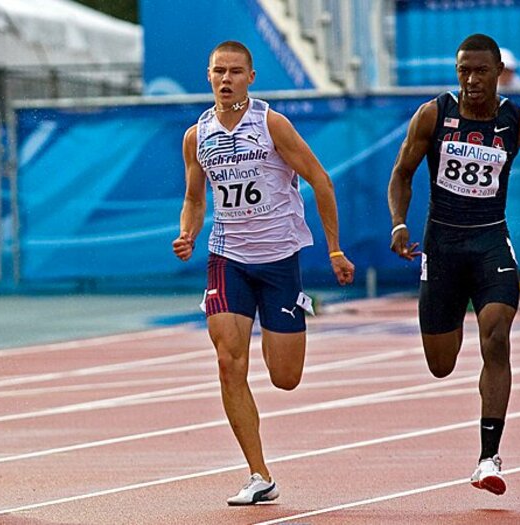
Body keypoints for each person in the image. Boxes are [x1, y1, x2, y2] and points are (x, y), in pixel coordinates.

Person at [172, 41, 355, 506]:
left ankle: (291, 327)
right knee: (228, 362)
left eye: (235, 71)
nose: (226, 79)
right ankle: (259, 474)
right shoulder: (198, 135)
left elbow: (320, 179)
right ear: (208, 76)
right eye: (219, 71)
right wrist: (188, 233)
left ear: (251, 77)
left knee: (285, 377)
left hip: (278, 261)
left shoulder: (272, 125)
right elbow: (195, 198)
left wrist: (334, 249)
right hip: (226, 258)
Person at [388, 33, 520, 496]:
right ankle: (449, 324)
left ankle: (489, 457)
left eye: (480, 71)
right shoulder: (434, 114)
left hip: (491, 245)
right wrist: (397, 224)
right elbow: (402, 173)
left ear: (498, 70)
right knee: (441, 365)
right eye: (463, 70)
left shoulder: (515, 120)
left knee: (497, 336)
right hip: (442, 247)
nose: (471, 80)